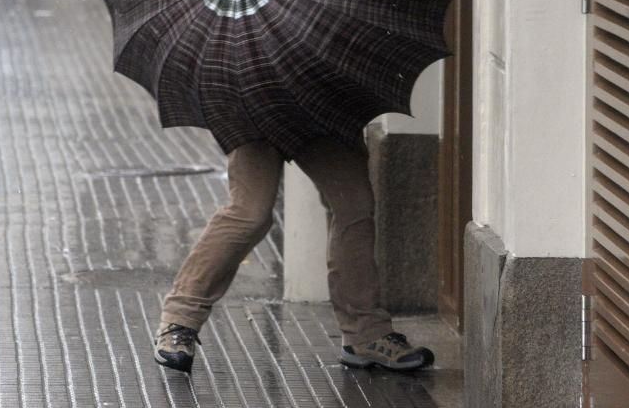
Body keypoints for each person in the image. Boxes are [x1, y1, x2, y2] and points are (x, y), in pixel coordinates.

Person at [154, 138, 435, 373]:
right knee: (250, 213)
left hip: (322, 104)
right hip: (258, 106)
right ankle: (180, 319)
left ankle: (367, 334)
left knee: (354, 207)